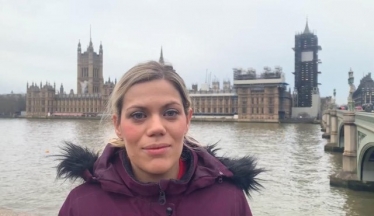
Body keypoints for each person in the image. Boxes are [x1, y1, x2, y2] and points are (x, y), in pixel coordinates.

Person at [56, 61, 264, 216]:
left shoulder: (229, 200)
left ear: (188, 119)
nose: (156, 128)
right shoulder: (81, 205)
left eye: (170, 113)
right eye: (138, 115)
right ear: (117, 124)